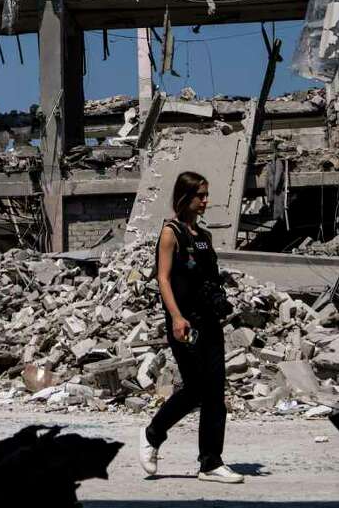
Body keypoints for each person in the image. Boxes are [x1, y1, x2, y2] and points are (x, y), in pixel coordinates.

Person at [139, 170, 243, 484]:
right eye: (200, 196)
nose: (205, 201)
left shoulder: (204, 237)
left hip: (209, 322)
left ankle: (210, 462)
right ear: (185, 197)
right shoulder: (171, 233)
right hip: (186, 322)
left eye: (206, 195)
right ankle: (152, 434)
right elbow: (163, 278)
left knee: (214, 392)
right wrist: (175, 317)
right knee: (197, 387)